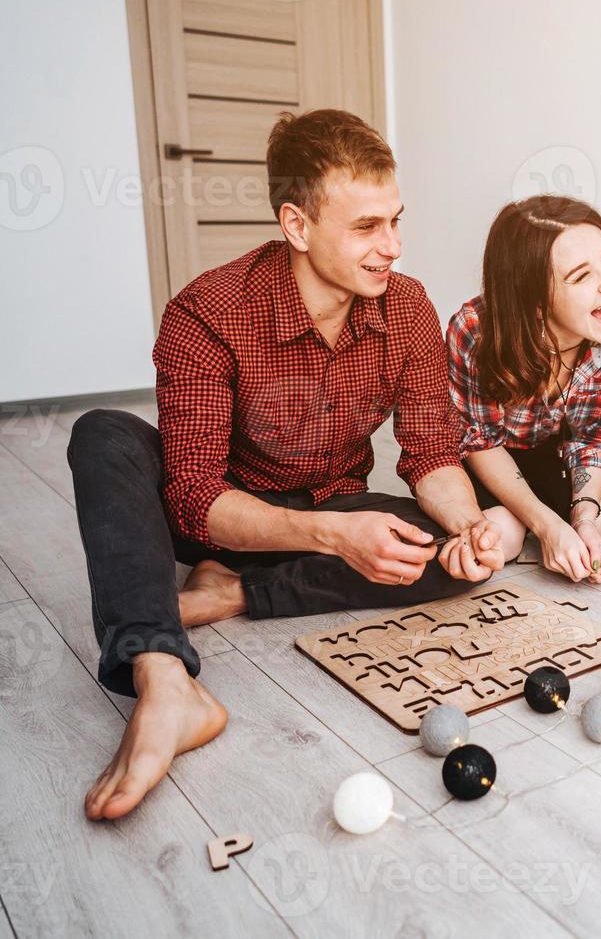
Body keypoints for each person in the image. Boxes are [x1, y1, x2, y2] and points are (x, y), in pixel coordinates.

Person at [68, 109, 503, 820]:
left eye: (395, 220)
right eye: (366, 228)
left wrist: (467, 524)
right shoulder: (207, 312)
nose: (392, 246)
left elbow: (430, 455)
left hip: (330, 504)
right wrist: (335, 540)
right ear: (296, 226)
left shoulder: (411, 308)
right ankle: (165, 679)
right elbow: (194, 499)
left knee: (441, 558)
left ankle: (235, 594)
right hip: (219, 514)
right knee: (103, 435)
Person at [446, 196, 601, 584]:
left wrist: (583, 519)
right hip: (489, 455)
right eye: (580, 276)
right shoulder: (474, 331)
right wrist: (546, 527)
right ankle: (527, 522)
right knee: (501, 537)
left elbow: (598, 436)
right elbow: (479, 441)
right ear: (534, 300)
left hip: (553, 450)